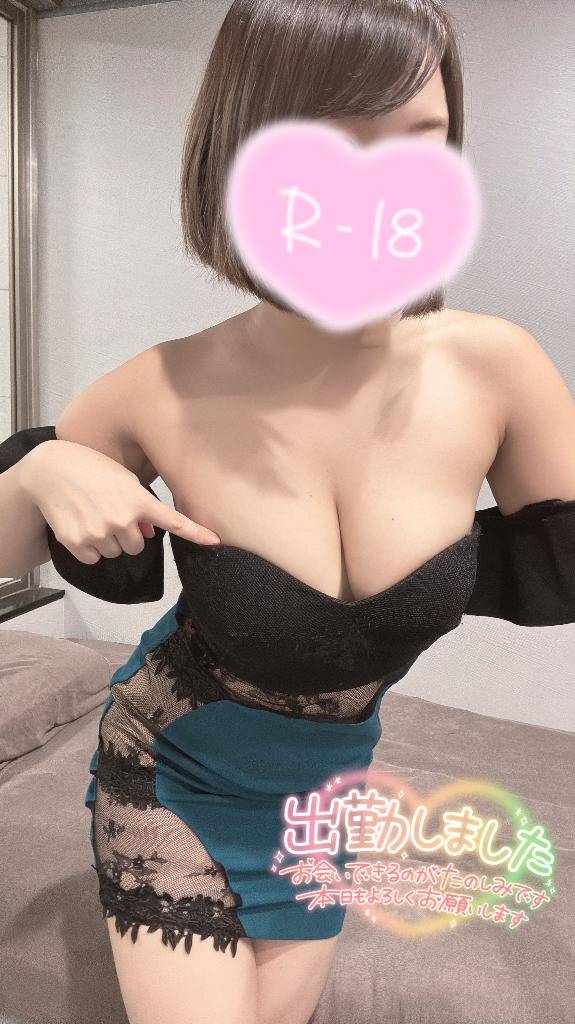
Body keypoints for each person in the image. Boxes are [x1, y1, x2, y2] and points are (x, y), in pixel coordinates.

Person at [1, 2, 574, 1023]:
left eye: (418, 144)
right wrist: (36, 472)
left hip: (324, 796)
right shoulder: (158, 389)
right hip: (169, 772)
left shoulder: (498, 370)